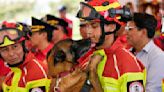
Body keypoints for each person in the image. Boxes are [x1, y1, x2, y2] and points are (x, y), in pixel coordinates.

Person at [77, 0, 146, 92]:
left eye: (94, 26)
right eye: (86, 26)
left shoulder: (128, 63)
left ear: (112, 27)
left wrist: (94, 80)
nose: (88, 31)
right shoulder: (87, 61)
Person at [0, 21, 50, 92]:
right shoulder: (9, 77)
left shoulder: (37, 72)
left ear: (25, 46)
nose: (11, 53)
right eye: (4, 50)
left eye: (15, 46)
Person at [126, 13, 164, 92]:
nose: (126, 32)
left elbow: (152, 90)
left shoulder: (158, 57)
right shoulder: (127, 53)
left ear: (143, 32)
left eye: (130, 29)